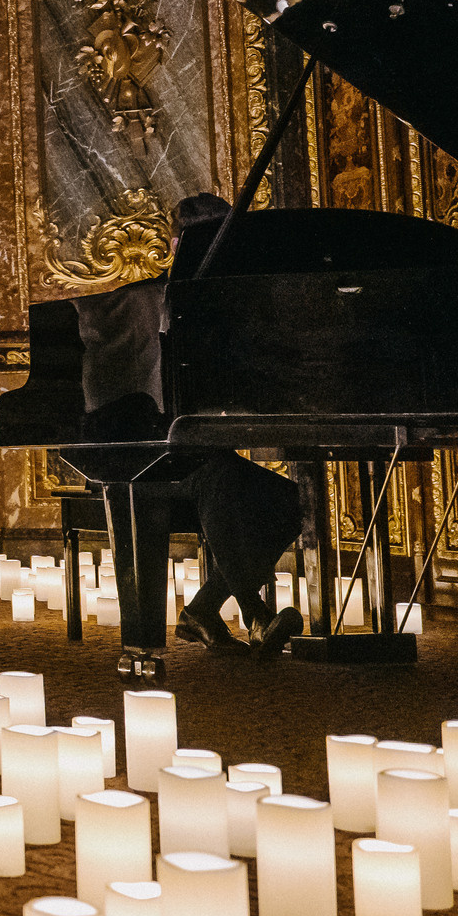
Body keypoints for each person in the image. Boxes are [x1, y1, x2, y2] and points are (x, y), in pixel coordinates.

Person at [164, 193, 305, 656]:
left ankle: (203, 610)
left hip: (203, 449)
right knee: (221, 479)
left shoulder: (229, 303)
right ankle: (257, 615)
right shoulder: (166, 301)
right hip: (161, 455)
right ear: (179, 244)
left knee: (286, 499)